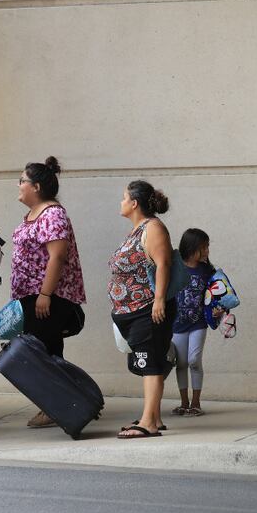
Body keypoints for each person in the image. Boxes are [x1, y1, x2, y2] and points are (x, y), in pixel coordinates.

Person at [10, 156, 86, 428]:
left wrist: (45, 295)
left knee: (46, 351)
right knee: (39, 351)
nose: (18, 185)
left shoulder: (53, 214)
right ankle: (54, 404)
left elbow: (57, 257)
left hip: (46, 297)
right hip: (31, 297)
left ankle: (58, 405)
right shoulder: (36, 213)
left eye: (22, 181)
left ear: (37, 187)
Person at [109, 180, 176, 439]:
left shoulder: (154, 227)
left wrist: (159, 299)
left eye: (124, 198)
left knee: (150, 364)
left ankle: (148, 422)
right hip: (132, 311)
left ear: (134, 203)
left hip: (148, 308)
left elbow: (163, 264)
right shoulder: (137, 229)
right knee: (148, 362)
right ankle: (154, 418)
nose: (121, 202)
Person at [171, 228, 217, 418]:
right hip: (177, 324)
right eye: (204, 247)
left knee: (193, 361)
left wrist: (218, 309)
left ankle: (196, 402)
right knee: (181, 363)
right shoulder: (175, 266)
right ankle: (184, 402)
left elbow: (216, 294)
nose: (207, 251)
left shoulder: (206, 270)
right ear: (192, 248)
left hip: (198, 323)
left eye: (207, 247)